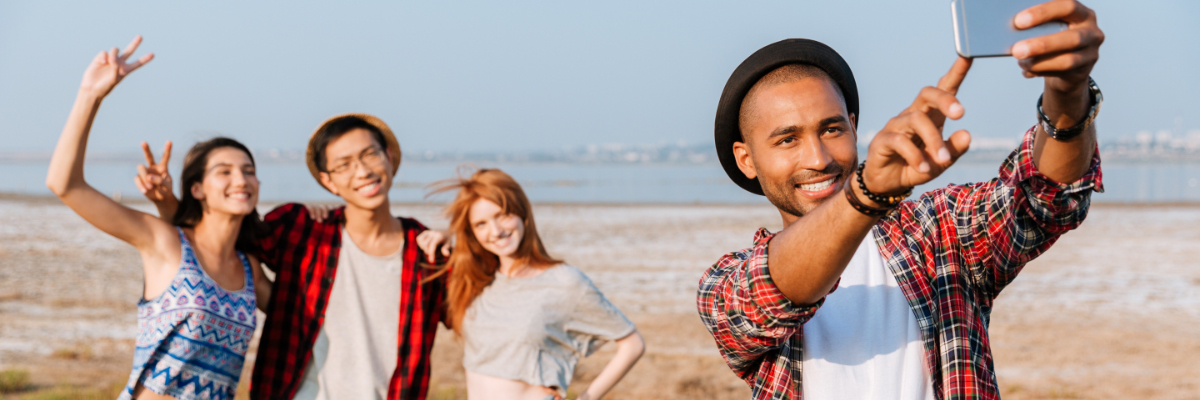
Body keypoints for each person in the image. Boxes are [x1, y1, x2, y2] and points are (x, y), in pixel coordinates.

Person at [696, 1, 1105, 399]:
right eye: (788, 139)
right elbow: (772, 291)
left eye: (832, 129)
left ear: (854, 127)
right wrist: (866, 194)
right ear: (746, 159)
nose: (818, 158)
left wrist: (1069, 95)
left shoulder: (939, 233)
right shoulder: (724, 286)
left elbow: (1044, 200)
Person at [140, 114, 450, 400]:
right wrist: (168, 205)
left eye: (370, 154)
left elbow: (476, 312)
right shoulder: (302, 228)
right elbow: (218, 245)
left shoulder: (429, 253)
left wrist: (463, 240)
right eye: (344, 164)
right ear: (327, 180)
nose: (363, 171)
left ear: (389, 157)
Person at [46, 36, 273, 400]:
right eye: (224, 171)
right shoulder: (166, 243)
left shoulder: (250, 270)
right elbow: (65, 184)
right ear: (197, 189)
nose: (241, 180)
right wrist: (91, 96)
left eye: (248, 170)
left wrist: (328, 217)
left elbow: (304, 318)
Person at [429, 168, 645, 400]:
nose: (496, 231)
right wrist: (444, 236)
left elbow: (632, 344)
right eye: (481, 224)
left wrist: (585, 398)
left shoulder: (564, 282)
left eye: (502, 215)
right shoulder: (477, 280)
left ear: (522, 213)